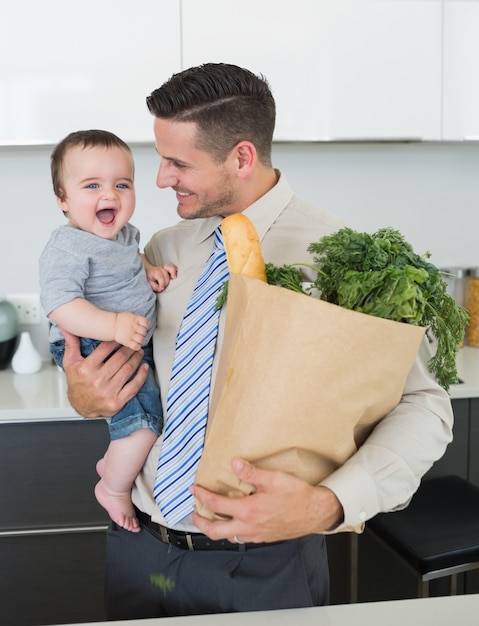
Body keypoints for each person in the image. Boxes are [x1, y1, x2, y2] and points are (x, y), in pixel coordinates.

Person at [60, 65, 453, 618]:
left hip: (266, 564)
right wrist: (82, 395)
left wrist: (329, 504)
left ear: (241, 157)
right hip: (138, 545)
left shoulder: (343, 259)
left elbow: (423, 407)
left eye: (178, 163)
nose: (160, 179)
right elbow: (114, 367)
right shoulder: (162, 249)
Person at [39, 130, 177, 533]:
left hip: (125, 341)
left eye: (122, 184)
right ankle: (113, 488)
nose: (110, 195)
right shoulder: (68, 246)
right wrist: (113, 324)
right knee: (145, 421)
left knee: (146, 418)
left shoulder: (125, 236)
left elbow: (127, 260)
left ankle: (114, 462)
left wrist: (148, 269)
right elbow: (62, 306)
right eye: (92, 186)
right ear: (62, 199)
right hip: (93, 341)